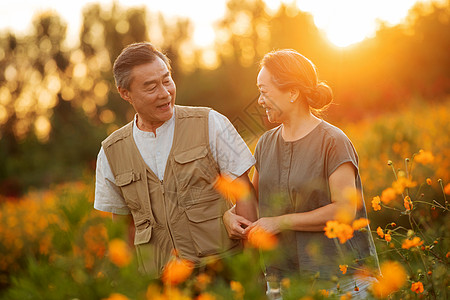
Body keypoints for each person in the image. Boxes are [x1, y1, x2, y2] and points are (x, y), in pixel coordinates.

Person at [94, 42, 257, 278]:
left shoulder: (210, 122)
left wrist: (251, 271)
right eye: (151, 87)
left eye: (167, 80)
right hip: (159, 282)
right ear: (125, 93)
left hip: (223, 271)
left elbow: (244, 193)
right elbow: (122, 228)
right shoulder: (110, 152)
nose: (165, 93)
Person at [227, 49, 380, 299]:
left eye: (264, 91)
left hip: (341, 282)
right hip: (286, 284)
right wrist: (229, 217)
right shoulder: (265, 144)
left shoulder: (333, 141)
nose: (259, 100)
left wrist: (280, 221)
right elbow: (253, 200)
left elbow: (344, 211)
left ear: (292, 93)